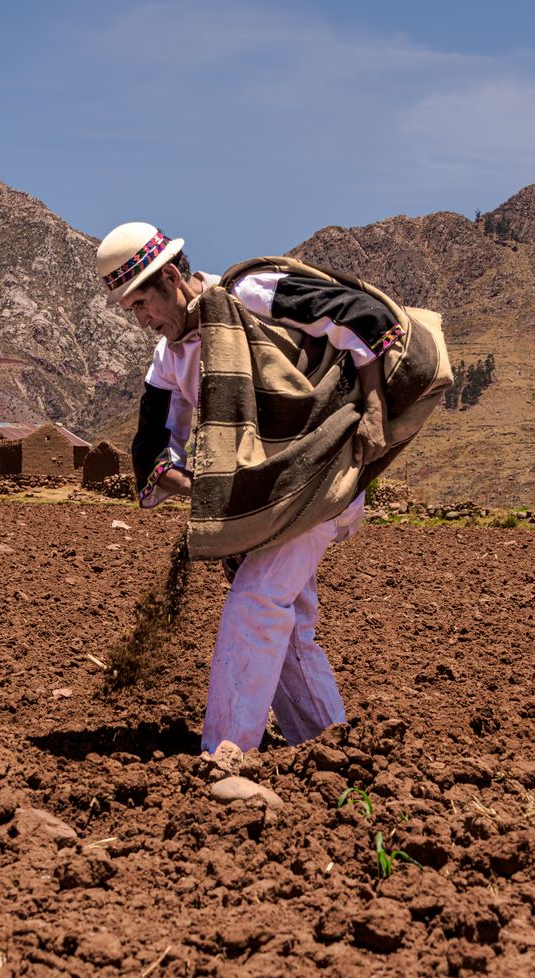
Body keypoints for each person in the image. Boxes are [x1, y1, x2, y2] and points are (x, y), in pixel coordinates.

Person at [95, 222, 396, 754]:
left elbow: (357, 316)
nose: (143, 320)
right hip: (259, 508)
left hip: (313, 477)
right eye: (132, 311)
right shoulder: (168, 360)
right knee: (289, 625)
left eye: (143, 303)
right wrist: (216, 495)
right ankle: (327, 748)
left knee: (256, 602)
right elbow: (149, 446)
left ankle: (224, 754)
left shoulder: (250, 295)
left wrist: (372, 406)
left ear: (171, 277)